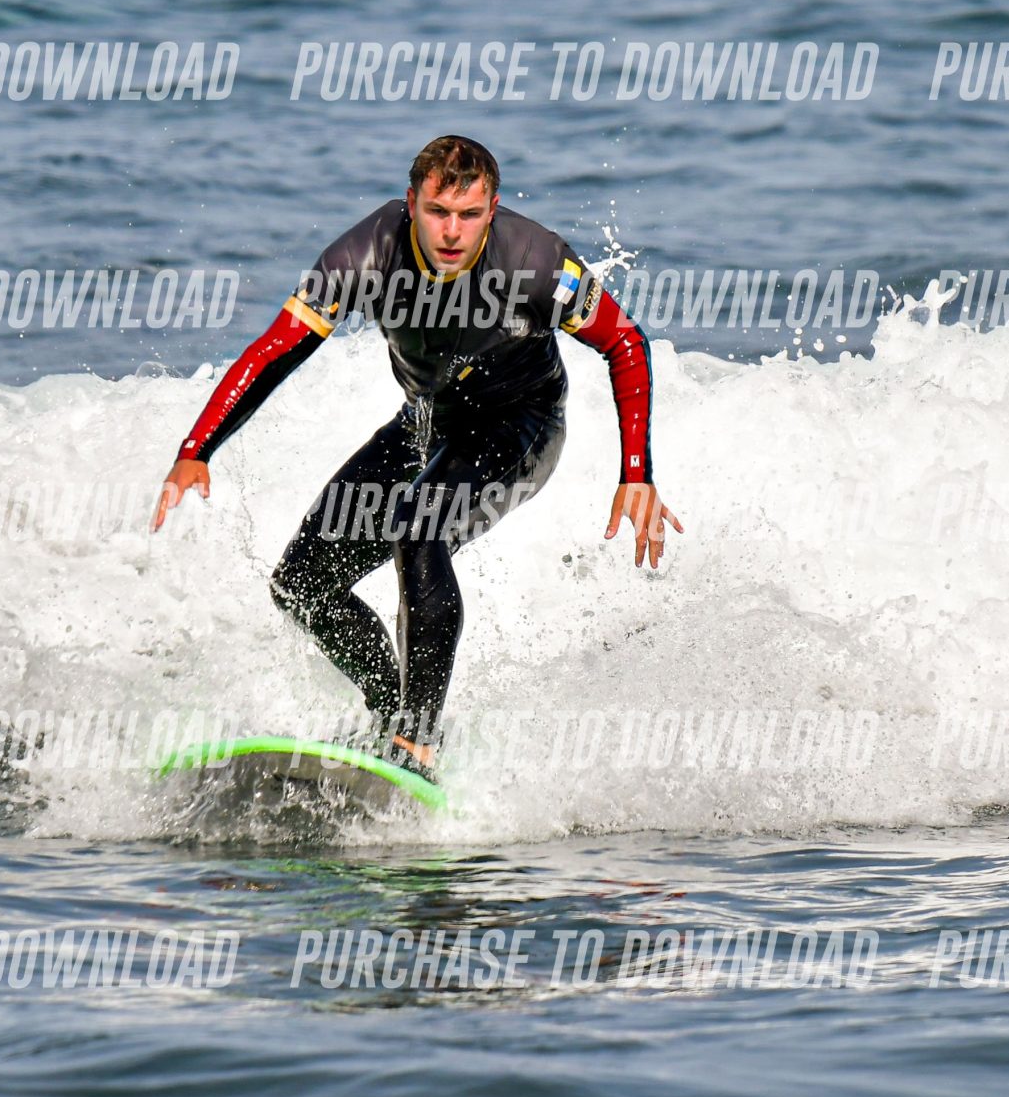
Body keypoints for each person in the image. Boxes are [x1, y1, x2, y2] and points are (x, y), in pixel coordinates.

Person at [151, 137, 675, 778]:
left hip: (521, 425)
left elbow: (625, 342)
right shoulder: (365, 256)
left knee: (419, 525)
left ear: (492, 210)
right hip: (427, 423)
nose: (452, 232)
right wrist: (196, 450)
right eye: (437, 212)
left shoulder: (536, 261)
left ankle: (418, 741)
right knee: (302, 585)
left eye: (469, 215)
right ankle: (388, 719)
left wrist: (636, 474)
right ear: (411, 203)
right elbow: (276, 349)